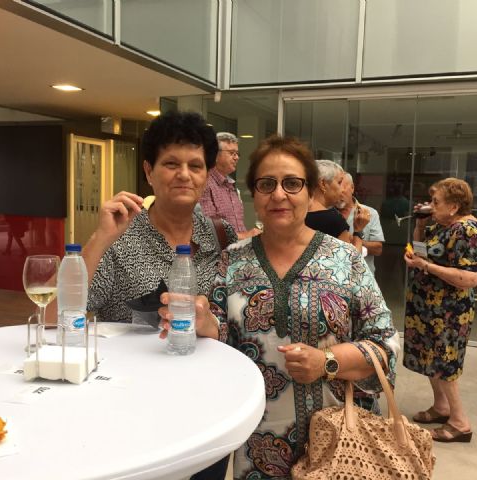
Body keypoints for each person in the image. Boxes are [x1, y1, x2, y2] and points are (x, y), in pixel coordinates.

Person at [159, 135, 399, 479]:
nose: (279, 194)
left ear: (310, 192)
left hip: (341, 447)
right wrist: (204, 323)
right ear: (254, 194)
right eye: (267, 184)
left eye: (292, 183)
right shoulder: (233, 261)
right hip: (258, 447)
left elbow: (385, 345)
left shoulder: (345, 259)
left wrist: (327, 361)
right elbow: (222, 339)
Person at [83, 110, 237, 480]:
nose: (184, 174)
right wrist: (100, 238)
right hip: (130, 408)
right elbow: (55, 315)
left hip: (207, 405)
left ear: (206, 175)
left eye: (195, 165)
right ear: (149, 171)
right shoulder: (120, 235)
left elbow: (237, 322)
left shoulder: (222, 236)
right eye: (171, 164)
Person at [403, 177, 477, 443]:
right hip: (429, 308)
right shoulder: (441, 225)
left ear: (454, 206)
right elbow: (422, 251)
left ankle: (460, 423)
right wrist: (419, 226)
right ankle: (441, 407)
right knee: (432, 360)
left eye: (436, 202)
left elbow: (470, 278)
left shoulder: (467, 230)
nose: (431, 205)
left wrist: (426, 267)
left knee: (446, 364)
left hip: (449, 312)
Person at [199, 132, 260, 239]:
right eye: (232, 153)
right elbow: (209, 230)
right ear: (215, 155)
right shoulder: (205, 184)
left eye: (237, 153)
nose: (236, 158)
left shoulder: (231, 185)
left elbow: (238, 227)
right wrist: (246, 235)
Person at [305, 160, 364, 252]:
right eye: (339, 182)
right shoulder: (334, 220)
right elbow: (352, 259)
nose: (342, 190)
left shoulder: (296, 213)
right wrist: (358, 231)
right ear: (323, 184)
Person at [337, 172, 384, 275]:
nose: (339, 194)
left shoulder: (369, 213)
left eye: (343, 189)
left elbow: (378, 249)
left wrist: (353, 240)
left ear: (352, 188)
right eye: (336, 189)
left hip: (363, 275)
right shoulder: (325, 213)